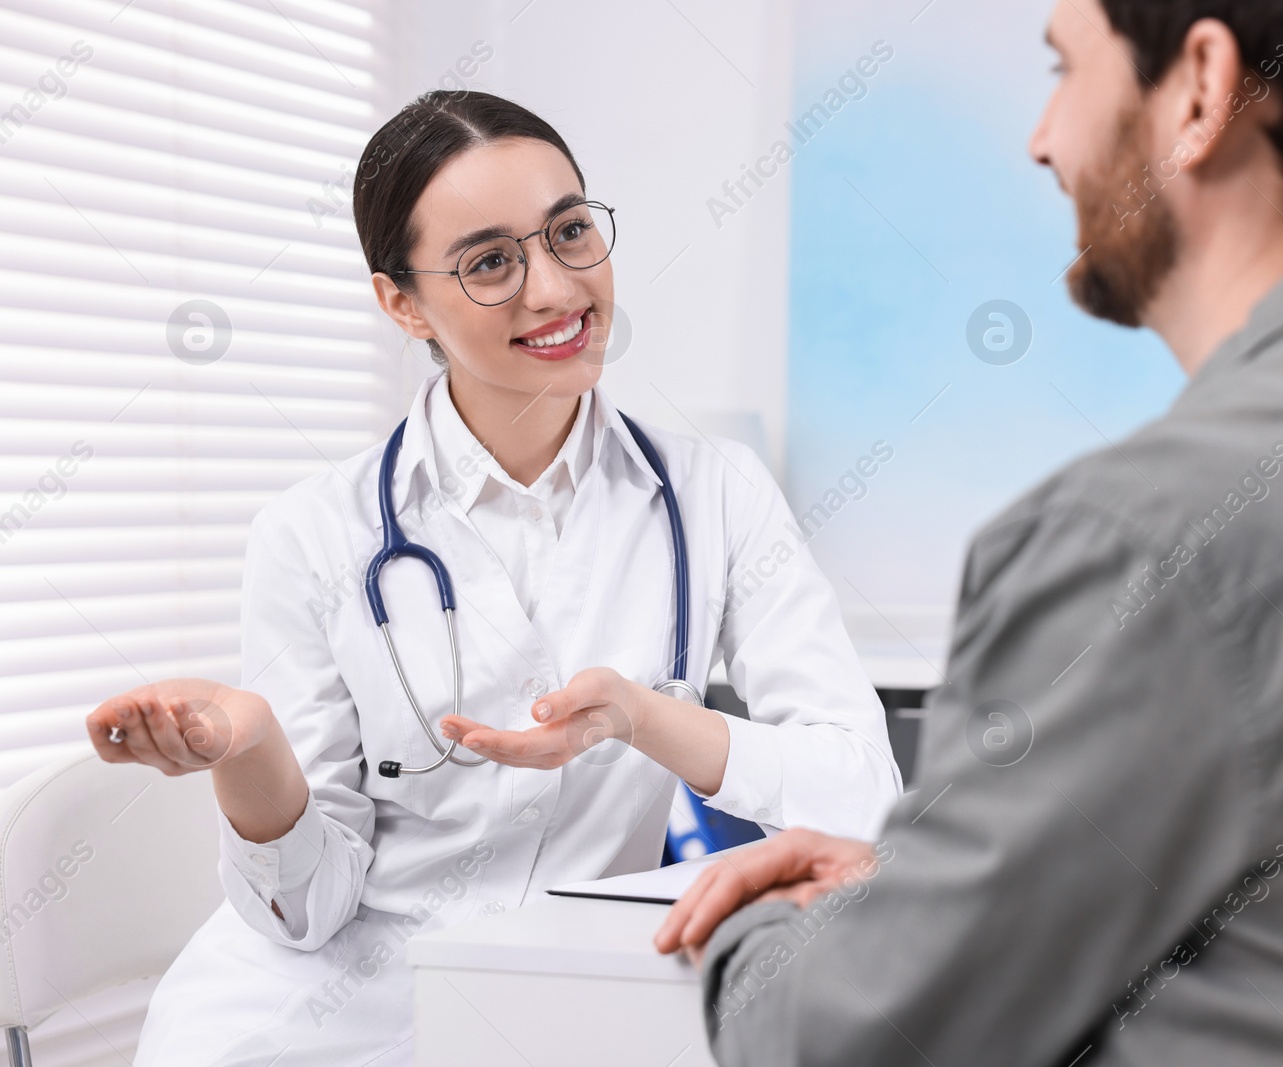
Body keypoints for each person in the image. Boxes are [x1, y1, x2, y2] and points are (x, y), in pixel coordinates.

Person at [654, 1, 1283, 1064]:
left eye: (1064, 68)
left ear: (1200, 89)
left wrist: (757, 920)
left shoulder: (1140, 537)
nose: (1042, 136)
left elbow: (847, 1046)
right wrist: (932, 898)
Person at [83, 90, 902, 1066]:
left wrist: (644, 717)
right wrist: (252, 752)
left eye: (568, 232)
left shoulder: (716, 495)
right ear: (400, 301)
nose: (555, 289)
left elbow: (862, 804)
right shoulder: (311, 534)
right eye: (489, 261)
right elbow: (305, 913)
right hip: (316, 1022)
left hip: (570, 1002)